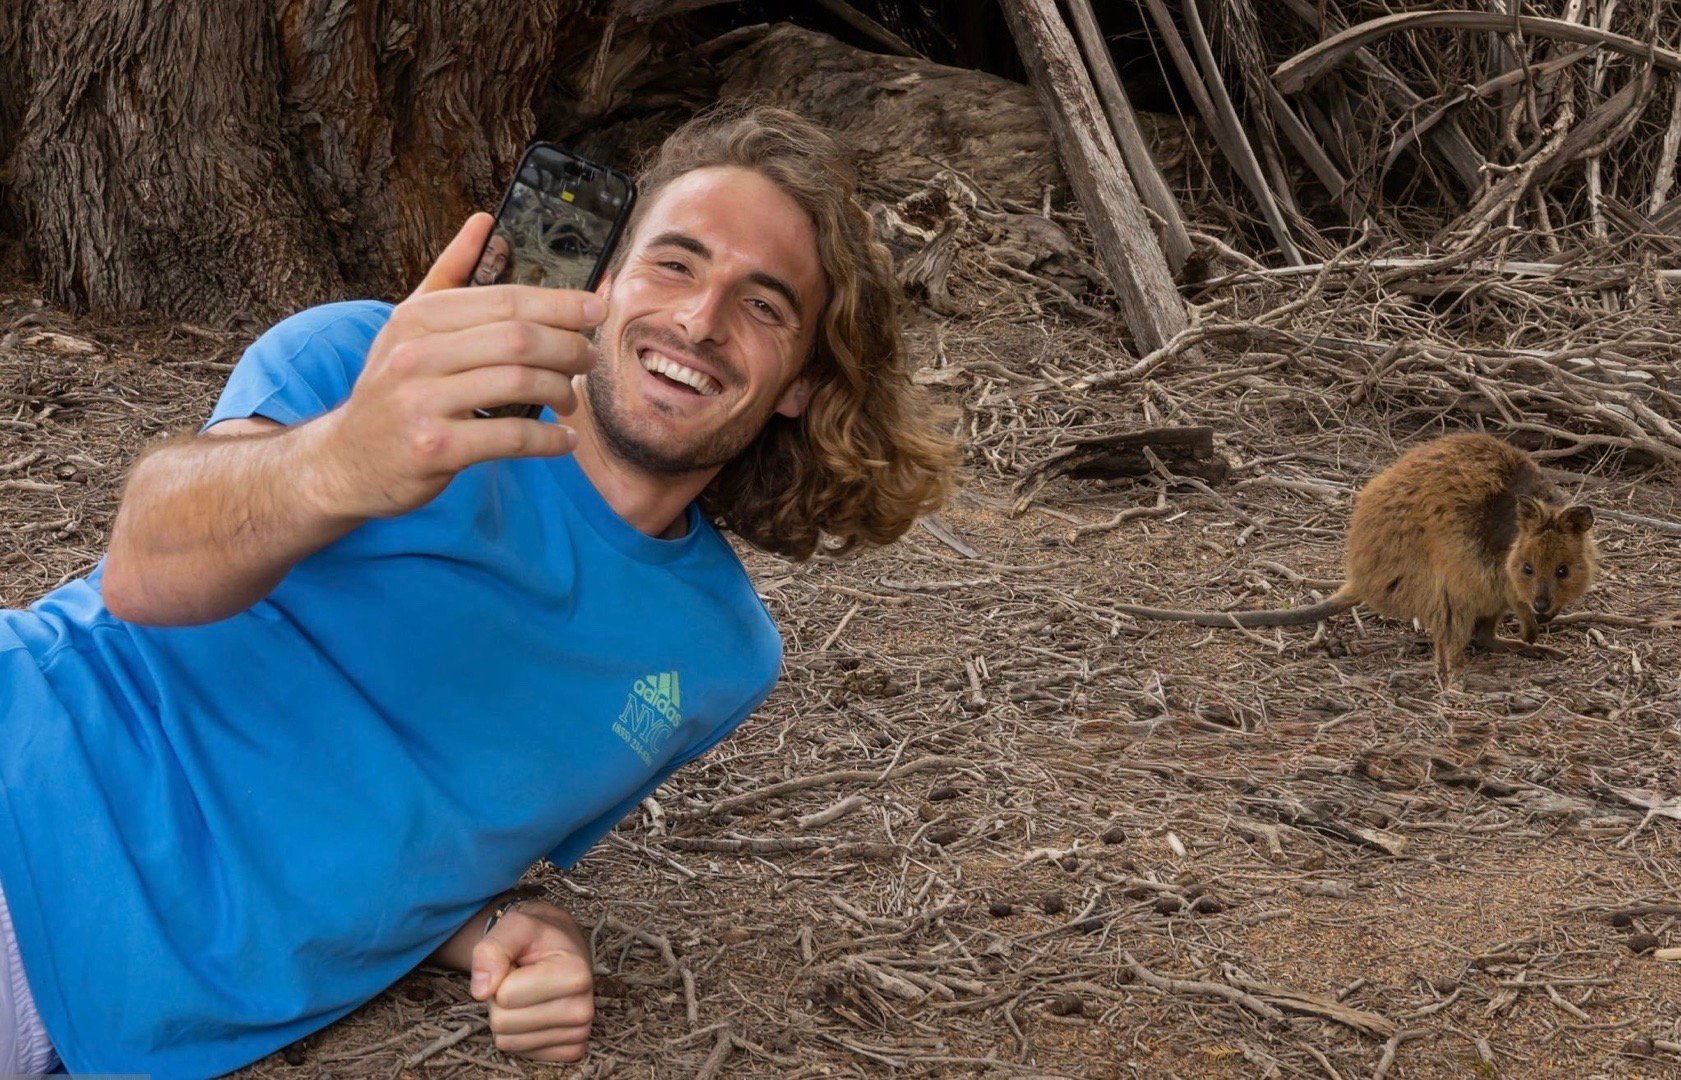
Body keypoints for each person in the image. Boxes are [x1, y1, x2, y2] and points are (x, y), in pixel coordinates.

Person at [0, 105, 955, 1077]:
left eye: (764, 305)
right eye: (674, 263)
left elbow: (447, 837)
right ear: (606, 277)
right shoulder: (366, 364)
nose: (699, 321)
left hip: (110, 1005)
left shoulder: (717, 658)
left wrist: (504, 923)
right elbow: (145, 568)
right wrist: (343, 459)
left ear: (798, 381)